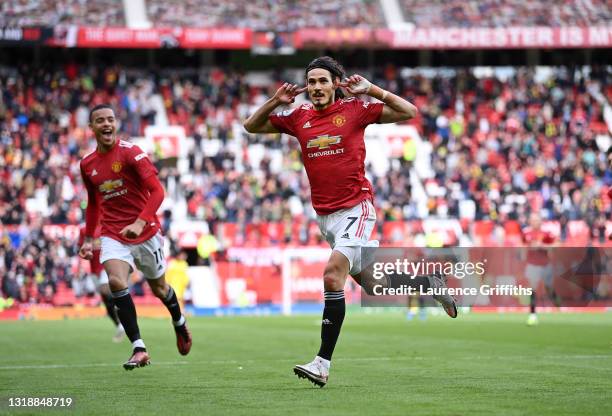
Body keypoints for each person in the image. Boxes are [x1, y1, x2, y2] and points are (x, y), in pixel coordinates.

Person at [244, 56, 457, 387]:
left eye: (322, 81)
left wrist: (372, 89)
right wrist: (275, 100)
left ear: (335, 85)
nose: (316, 87)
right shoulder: (298, 118)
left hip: (357, 209)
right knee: (375, 286)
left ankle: (321, 363)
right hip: (326, 218)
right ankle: (430, 285)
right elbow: (250, 125)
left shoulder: (356, 110)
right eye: (311, 82)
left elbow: (409, 112)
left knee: (332, 276)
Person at [79, 104, 192, 370]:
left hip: (146, 231)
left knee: (159, 289)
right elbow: (94, 203)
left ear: (115, 123)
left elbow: (157, 192)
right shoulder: (87, 164)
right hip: (112, 233)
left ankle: (179, 322)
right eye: (100, 121)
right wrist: (87, 238)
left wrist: (140, 222)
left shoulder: (132, 153)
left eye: (110, 119)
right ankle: (138, 347)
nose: (106, 124)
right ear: (92, 128)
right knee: (116, 281)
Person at [77, 224, 125, 342]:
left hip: (106, 266)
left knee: (106, 290)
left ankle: (124, 313)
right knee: (106, 300)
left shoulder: (107, 225)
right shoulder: (84, 230)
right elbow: (80, 249)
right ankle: (119, 324)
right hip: (94, 270)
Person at [522, 212, 556, 326]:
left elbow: (555, 245)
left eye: (537, 220)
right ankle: (532, 314)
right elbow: (521, 245)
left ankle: (557, 303)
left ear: (540, 221)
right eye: (533, 220)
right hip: (532, 264)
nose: (535, 222)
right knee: (532, 288)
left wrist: (542, 246)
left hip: (545, 264)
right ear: (530, 221)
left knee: (549, 288)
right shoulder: (526, 232)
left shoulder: (546, 233)